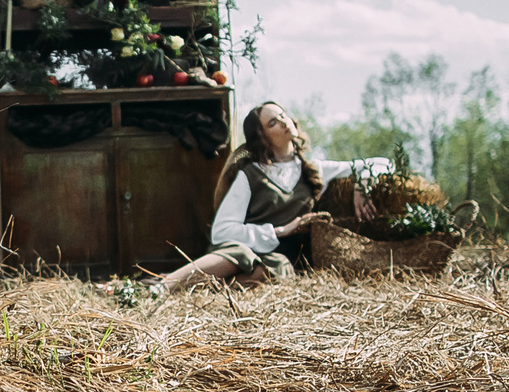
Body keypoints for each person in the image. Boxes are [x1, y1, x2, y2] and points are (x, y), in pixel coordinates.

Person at [154, 101, 390, 295]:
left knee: (271, 268)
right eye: (273, 123)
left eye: (283, 115)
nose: (284, 122)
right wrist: (281, 230)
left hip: (279, 256)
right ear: (263, 137)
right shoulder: (251, 174)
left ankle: (199, 294)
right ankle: (163, 287)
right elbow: (221, 231)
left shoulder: (313, 169)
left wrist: (362, 186)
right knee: (241, 256)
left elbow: (382, 163)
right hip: (241, 247)